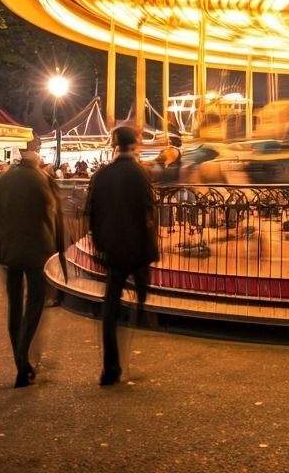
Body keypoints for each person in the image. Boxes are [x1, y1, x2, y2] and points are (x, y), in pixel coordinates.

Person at [85, 125, 159, 386]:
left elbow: (91, 211)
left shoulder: (102, 175)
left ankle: (110, 366)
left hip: (112, 247)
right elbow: (147, 212)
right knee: (138, 289)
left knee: (110, 303)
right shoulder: (140, 173)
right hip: (136, 246)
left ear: (115, 145)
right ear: (136, 144)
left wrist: (98, 244)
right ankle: (141, 311)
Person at [0, 150, 66, 387]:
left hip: (8, 248)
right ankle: (23, 355)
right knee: (34, 302)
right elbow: (55, 216)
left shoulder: (3, 180)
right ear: (38, 162)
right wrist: (61, 252)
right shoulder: (42, 179)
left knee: (14, 303)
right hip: (37, 248)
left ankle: (20, 359)